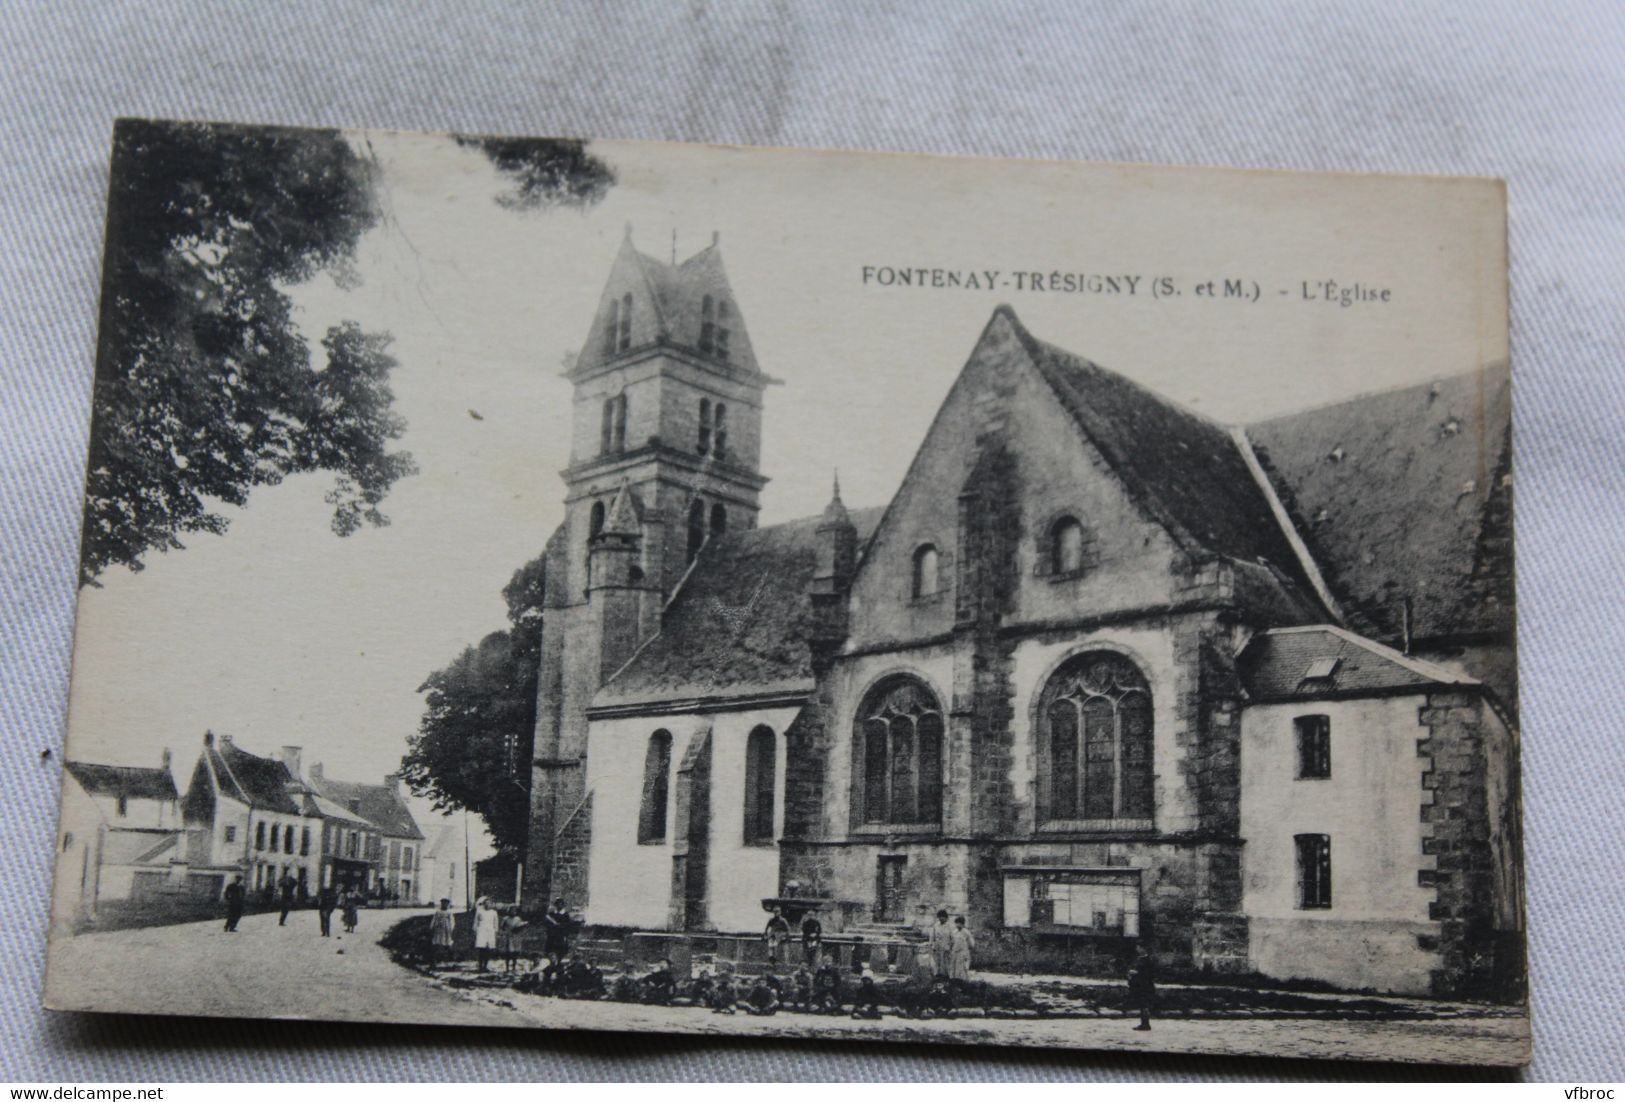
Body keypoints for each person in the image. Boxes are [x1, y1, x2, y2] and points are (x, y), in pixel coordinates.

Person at [1127, 947, 1157, 1031]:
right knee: (1142, 1005)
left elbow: (1150, 974)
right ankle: (1143, 1023)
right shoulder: (1139, 959)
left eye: (1139, 947)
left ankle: (1145, 1024)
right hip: (1139, 985)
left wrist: (1137, 973)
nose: (1138, 949)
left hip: (1145, 986)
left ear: (1144, 949)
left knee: (1144, 1005)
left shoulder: (1148, 960)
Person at [473, 896, 500, 971]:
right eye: (486, 903)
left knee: (488, 950)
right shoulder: (479, 912)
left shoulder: (494, 913)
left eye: (489, 903)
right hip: (481, 931)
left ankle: (485, 965)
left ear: (491, 904)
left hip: (490, 932)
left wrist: (496, 932)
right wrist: (475, 931)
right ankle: (480, 966)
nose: (487, 905)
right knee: (481, 949)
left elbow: (496, 924)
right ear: (484, 904)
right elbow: (476, 922)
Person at [498, 906, 527, 972]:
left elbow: (520, 926)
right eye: (512, 911)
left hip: (516, 937)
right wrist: (505, 931)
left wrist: (522, 926)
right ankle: (507, 967)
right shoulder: (506, 918)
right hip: (509, 936)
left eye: (514, 911)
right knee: (508, 953)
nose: (513, 912)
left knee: (515, 953)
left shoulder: (518, 918)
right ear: (509, 911)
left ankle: (514, 967)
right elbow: (502, 927)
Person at [948, 915, 975, 983]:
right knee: (954, 968)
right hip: (955, 952)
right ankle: (954, 981)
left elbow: (971, 943)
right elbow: (951, 942)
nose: (958, 925)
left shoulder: (966, 932)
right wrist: (951, 949)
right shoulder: (954, 932)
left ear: (963, 924)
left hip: (963, 953)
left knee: (962, 968)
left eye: (959, 923)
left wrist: (968, 949)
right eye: (956, 923)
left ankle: (963, 982)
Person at [429, 897, 456, 965]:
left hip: (446, 928)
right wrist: (432, 926)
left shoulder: (449, 912)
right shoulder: (438, 912)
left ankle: (449, 955)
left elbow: (452, 921)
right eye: (443, 903)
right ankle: (437, 955)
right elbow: (434, 920)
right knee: (437, 940)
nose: (444, 905)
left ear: (448, 904)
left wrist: (451, 928)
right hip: (439, 928)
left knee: (447, 941)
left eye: (446, 904)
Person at [929, 909, 953, 977]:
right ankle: (937, 975)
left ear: (946, 917)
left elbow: (953, 938)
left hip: (946, 947)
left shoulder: (950, 926)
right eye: (939, 917)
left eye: (942, 917)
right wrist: (931, 945)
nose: (940, 919)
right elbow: (932, 936)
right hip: (937, 947)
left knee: (945, 963)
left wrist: (950, 947)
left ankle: (946, 976)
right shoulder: (936, 925)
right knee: (937, 962)